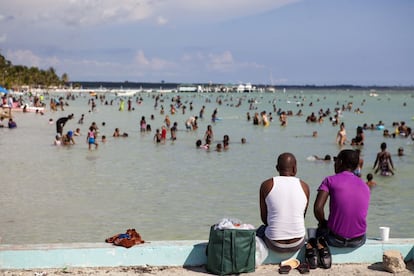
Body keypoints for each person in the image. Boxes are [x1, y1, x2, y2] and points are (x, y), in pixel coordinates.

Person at [314, 149, 370, 248]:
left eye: (336, 160)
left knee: (320, 230)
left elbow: (318, 208)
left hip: (335, 239)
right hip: (359, 240)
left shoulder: (329, 181)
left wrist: (323, 223)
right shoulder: (365, 185)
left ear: (340, 162)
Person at [257, 152, 310, 253]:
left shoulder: (266, 185)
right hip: (298, 243)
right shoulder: (304, 186)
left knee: (260, 230)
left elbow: (265, 219)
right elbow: (302, 216)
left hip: (274, 243)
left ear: (277, 168)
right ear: (295, 168)